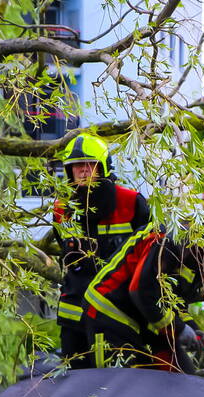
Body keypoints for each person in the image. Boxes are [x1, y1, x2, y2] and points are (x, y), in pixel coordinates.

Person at [83, 208, 204, 373]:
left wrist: (193, 330)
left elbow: (177, 304)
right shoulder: (168, 240)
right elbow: (141, 290)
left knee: (183, 375)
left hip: (145, 318)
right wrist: (178, 329)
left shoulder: (198, 261)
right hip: (110, 311)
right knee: (120, 384)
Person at [52, 132, 150, 369]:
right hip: (74, 316)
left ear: (102, 167)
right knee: (75, 387)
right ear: (69, 171)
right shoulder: (61, 209)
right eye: (76, 166)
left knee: (119, 385)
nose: (83, 170)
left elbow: (150, 258)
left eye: (89, 164)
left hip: (119, 315)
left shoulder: (132, 203)